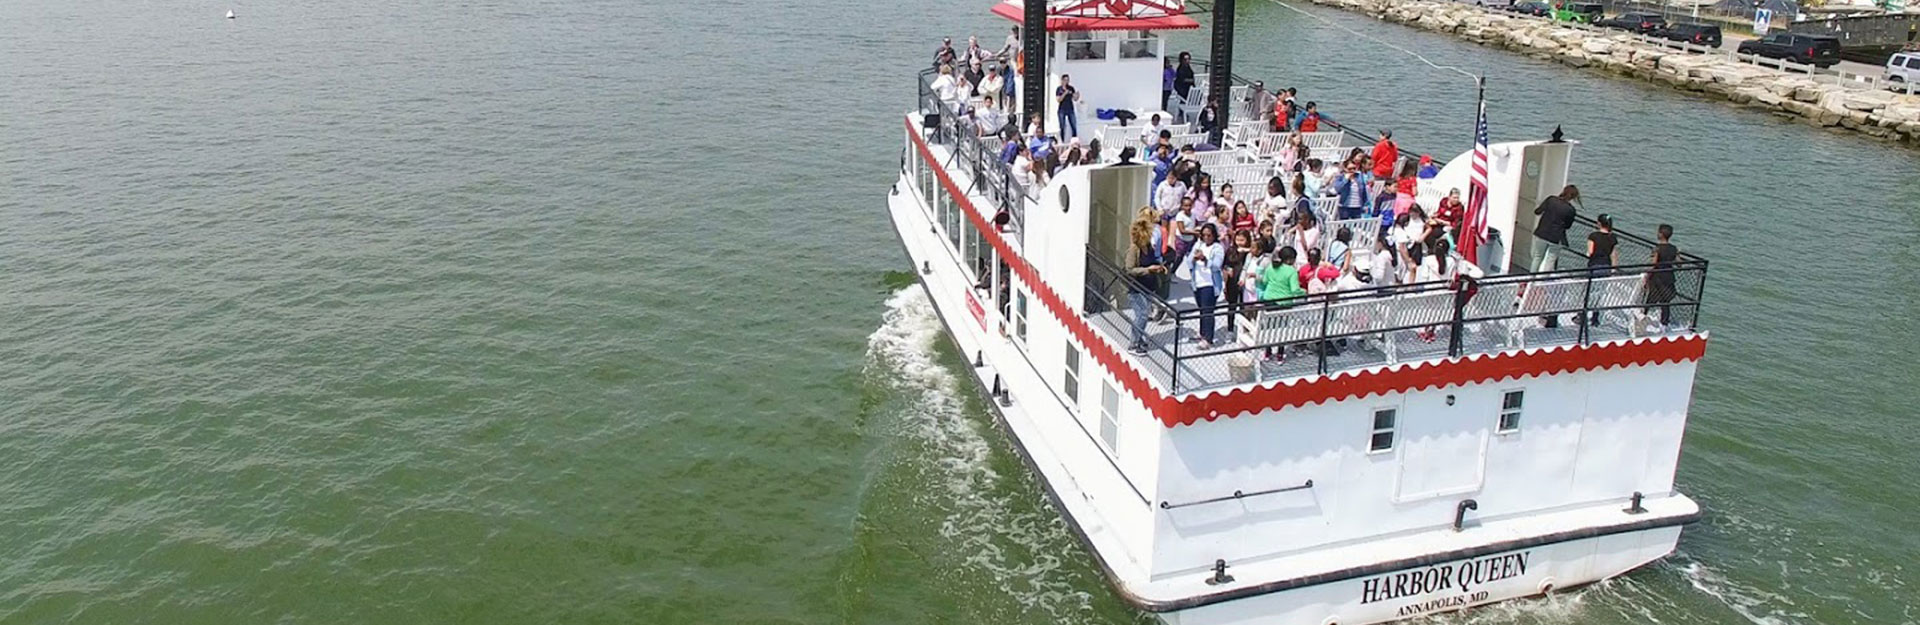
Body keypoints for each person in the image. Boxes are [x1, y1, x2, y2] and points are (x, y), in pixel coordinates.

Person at [1124, 220, 1168, 354]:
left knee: (1144, 314)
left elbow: (1152, 260)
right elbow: (1129, 269)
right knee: (1142, 315)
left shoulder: (1148, 247)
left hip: (1148, 286)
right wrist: (1148, 269)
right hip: (1136, 288)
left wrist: (1159, 267)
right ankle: (1134, 343)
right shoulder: (1134, 249)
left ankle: (1139, 338)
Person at [1257, 246, 1306, 363]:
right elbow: (1295, 290)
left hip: (1268, 300)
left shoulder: (1271, 267)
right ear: (1290, 260)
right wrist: (1304, 292)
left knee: (1269, 328)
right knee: (1282, 329)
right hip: (1284, 303)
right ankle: (1279, 354)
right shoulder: (1291, 271)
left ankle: (1267, 353)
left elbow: (1264, 281)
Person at [1190, 224, 1226, 348]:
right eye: (1203, 235)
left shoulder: (1218, 248)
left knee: (1207, 311)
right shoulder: (1198, 244)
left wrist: (1205, 259)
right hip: (1197, 282)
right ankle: (1202, 332)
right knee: (1201, 309)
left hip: (1210, 284)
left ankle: (1208, 338)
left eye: (1209, 235)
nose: (1206, 238)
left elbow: (1217, 265)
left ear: (1214, 235)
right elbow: (1189, 260)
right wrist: (1194, 259)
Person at [1530, 184, 1579, 273]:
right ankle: (1541, 284)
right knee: (1550, 260)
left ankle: (1529, 279)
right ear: (1573, 197)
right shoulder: (1570, 210)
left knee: (1537, 257)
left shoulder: (1551, 200)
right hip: (1556, 237)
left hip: (1542, 232)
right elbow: (1568, 226)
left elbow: (1537, 211)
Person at [1643, 223, 1679, 331]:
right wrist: (1678, 254)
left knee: (1650, 299)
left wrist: (1647, 275)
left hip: (1657, 276)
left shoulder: (1657, 249)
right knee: (1666, 301)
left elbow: (1653, 264)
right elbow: (1679, 263)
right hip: (1668, 276)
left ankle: (1643, 317)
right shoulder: (1674, 248)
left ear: (1661, 234)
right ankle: (1664, 323)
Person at [1585, 214, 1619, 325]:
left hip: (1594, 266)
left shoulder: (1593, 236)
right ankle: (1595, 317)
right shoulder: (1613, 238)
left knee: (1589, 291)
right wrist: (1614, 269)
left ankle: (1583, 314)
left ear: (1599, 223)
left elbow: (1590, 252)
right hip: (1606, 266)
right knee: (1599, 293)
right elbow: (1614, 255)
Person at [1055, 74, 1082, 139]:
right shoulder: (1059, 89)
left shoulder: (1071, 88)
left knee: (1073, 125)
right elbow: (1058, 100)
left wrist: (1077, 96)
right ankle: (1062, 141)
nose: (1066, 81)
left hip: (1070, 109)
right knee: (1062, 126)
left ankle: (1074, 141)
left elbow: (1074, 99)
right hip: (1062, 110)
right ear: (1062, 80)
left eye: (1068, 80)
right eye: (1065, 80)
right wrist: (1065, 93)